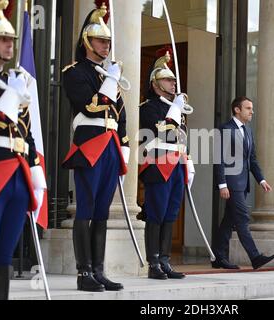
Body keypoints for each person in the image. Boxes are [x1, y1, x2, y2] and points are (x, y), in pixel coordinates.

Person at [0, 0, 46, 300]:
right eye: (3, 39)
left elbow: (26, 132)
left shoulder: (14, 81)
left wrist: (35, 169)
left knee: (4, 256)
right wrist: (8, 101)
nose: (9, 45)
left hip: (17, 174)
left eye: (11, 40)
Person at [62, 2, 130, 292]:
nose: (106, 45)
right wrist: (109, 82)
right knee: (86, 209)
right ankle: (83, 272)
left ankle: (99, 270)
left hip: (111, 147)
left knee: (102, 211)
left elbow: (121, 115)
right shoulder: (74, 71)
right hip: (90, 145)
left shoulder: (108, 75)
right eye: (101, 40)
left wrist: (124, 147)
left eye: (108, 41)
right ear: (87, 41)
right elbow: (89, 106)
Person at [139, 48, 195, 280]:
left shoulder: (177, 109)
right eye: (167, 80)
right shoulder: (148, 108)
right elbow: (164, 132)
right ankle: (153, 263)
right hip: (158, 164)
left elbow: (180, 137)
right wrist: (176, 108)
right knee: (156, 213)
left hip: (176, 164)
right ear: (155, 83)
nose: (173, 84)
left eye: (173, 80)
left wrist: (188, 159)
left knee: (171, 214)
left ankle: (165, 260)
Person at [213, 97, 274, 270]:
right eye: (248, 108)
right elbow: (219, 160)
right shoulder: (225, 129)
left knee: (228, 221)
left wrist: (261, 180)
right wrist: (222, 184)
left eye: (252, 108)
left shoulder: (248, 131)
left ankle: (218, 256)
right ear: (236, 110)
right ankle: (255, 257)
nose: (252, 112)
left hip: (244, 183)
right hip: (232, 183)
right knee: (242, 218)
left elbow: (252, 160)